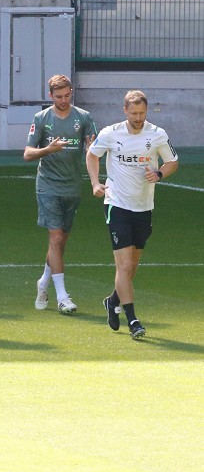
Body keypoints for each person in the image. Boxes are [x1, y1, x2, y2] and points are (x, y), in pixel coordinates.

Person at [86, 90, 178, 339]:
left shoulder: (157, 134)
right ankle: (133, 320)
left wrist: (159, 174)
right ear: (124, 110)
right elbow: (92, 155)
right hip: (116, 205)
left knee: (131, 266)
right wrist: (95, 183)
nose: (138, 117)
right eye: (133, 113)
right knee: (124, 265)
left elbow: (172, 162)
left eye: (142, 113)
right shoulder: (110, 133)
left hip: (144, 207)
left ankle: (111, 300)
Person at [23, 75, 97, 314]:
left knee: (60, 243)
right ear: (50, 96)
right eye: (59, 97)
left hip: (73, 187)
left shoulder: (84, 117)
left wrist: (93, 147)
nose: (64, 100)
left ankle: (43, 282)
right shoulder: (41, 119)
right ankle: (63, 296)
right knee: (55, 239)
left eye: (67, 95)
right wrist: (48, 149)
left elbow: (92, 147)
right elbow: (28, 154)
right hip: (48, 186)